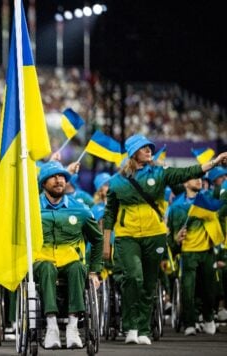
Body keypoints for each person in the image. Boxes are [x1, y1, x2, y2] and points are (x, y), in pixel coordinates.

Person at [102, 134, 227, 345]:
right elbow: (109, 214)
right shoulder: (116, 182)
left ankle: (142, 329)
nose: (149, 150)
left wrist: (213, 163)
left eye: (150, 147)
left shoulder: (160, 173)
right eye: (144, 148)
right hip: (127, 236)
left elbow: (186, 172)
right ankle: (130, 325)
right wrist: (106, 244)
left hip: (154, 235)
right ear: (133, 153)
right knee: (134, 278)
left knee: (150, 283)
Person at [35, 161, 102, 349]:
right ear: (43, 182)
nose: (59, 180)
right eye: (54, 176)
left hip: (69, 259)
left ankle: (73, 327)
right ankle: (52, 327)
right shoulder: (31, 208)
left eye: (63, 176)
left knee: (78, 267)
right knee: (47, 268)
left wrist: (95, 271)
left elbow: (97, 239)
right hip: (41, 260)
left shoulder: (80, 209)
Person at [166, 177, 222, 335]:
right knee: (188, 290)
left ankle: (209, 318)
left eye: (200, 178)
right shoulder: (176, 207)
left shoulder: (208, 200)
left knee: (209, 290)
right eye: (194, 178)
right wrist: (176, 240)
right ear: (185, 183)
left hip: (207, 251)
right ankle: (189, 322)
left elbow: (221, 192)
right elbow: (170, 237)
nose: (199, 181)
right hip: (188, 253)